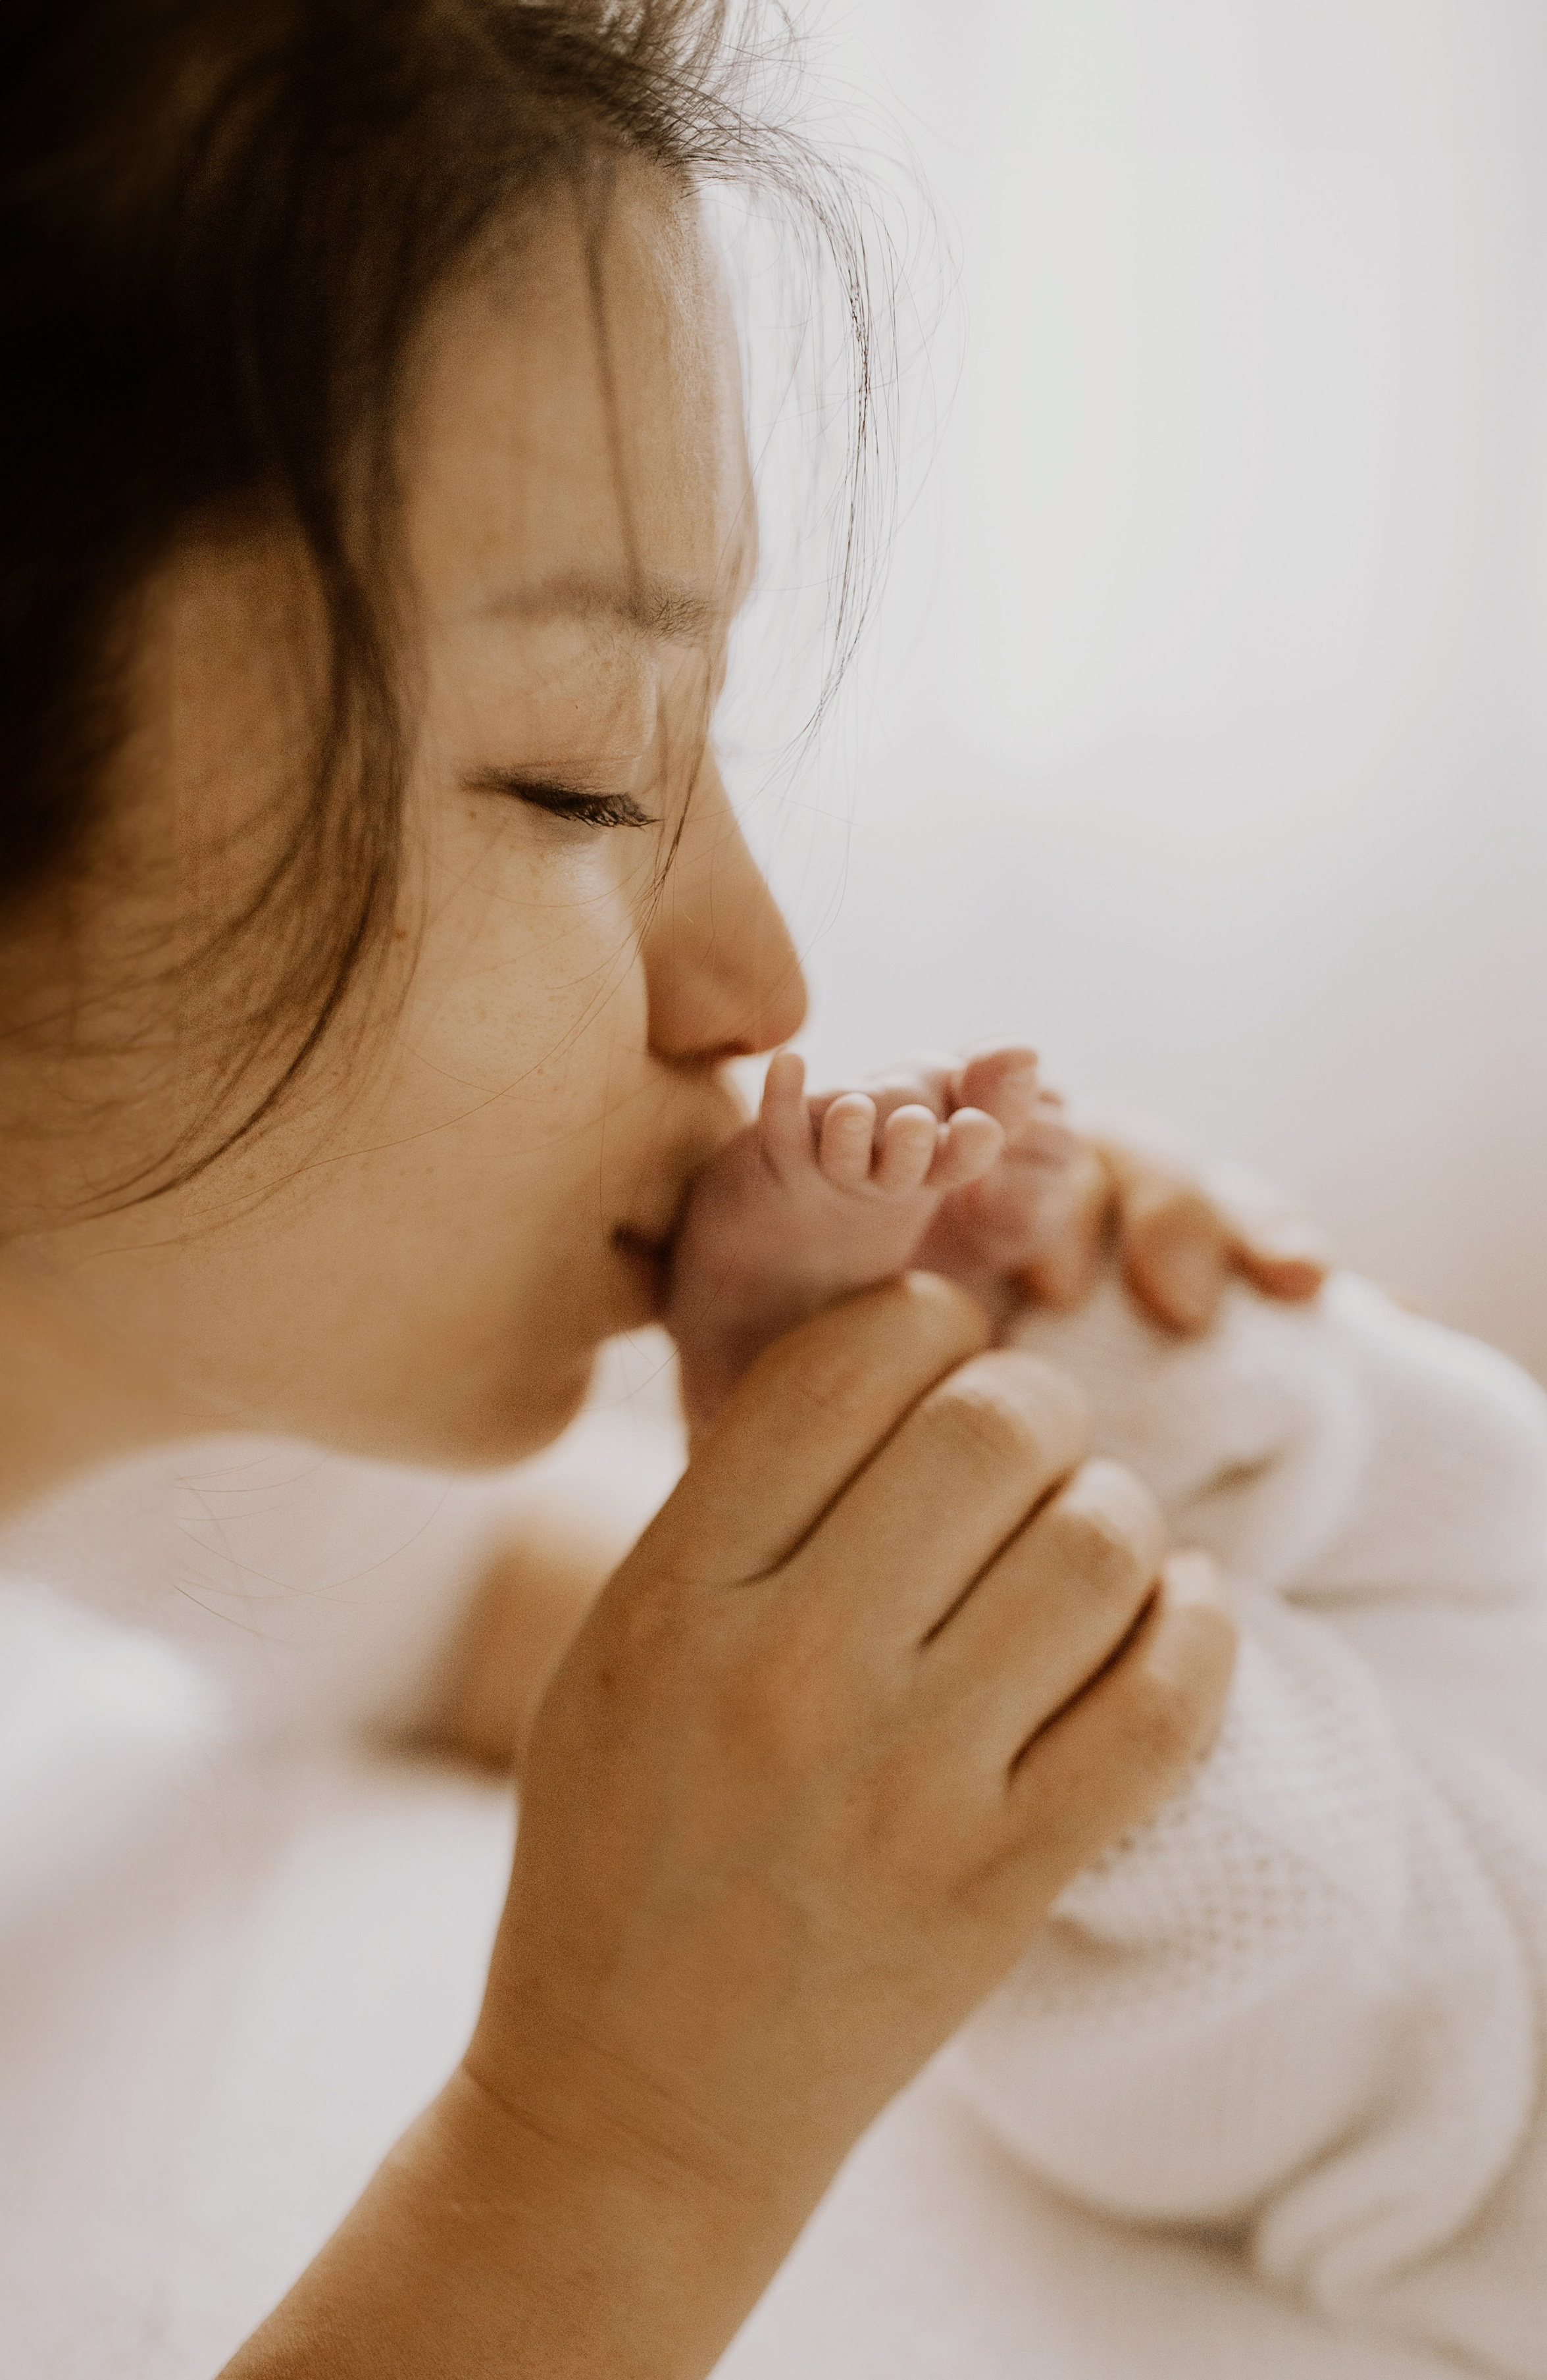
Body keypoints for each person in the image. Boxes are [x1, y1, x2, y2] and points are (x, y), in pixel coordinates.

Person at [0, 7, 1327, 2372]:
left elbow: (516, 1620)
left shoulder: (123, 1432)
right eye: (586, 782)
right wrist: (610, 2143)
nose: (762, 976)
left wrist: (933, 1439)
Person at [663, 1045, 1547, 2380]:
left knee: (1249, 1858)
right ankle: (1025, 1321)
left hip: (1522, 2024)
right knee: (1475, 1459)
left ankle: (854, 1445)